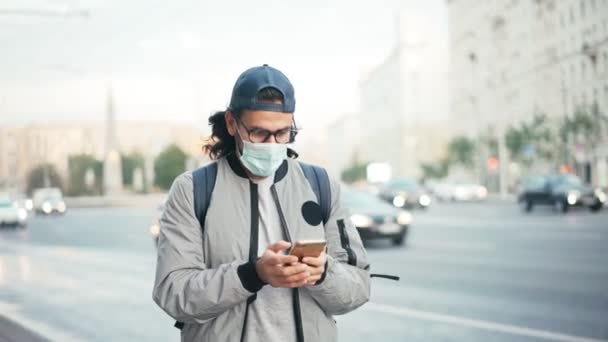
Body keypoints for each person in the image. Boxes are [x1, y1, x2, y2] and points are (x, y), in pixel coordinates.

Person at [153, 64, 370, 342]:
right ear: (232, 124)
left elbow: (359, 287)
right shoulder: (192, 190)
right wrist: (251, 274)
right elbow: (173, 293)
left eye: (282, 133)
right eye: (258, 133)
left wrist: (324, 273)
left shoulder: (321, 185)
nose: (271, 143)